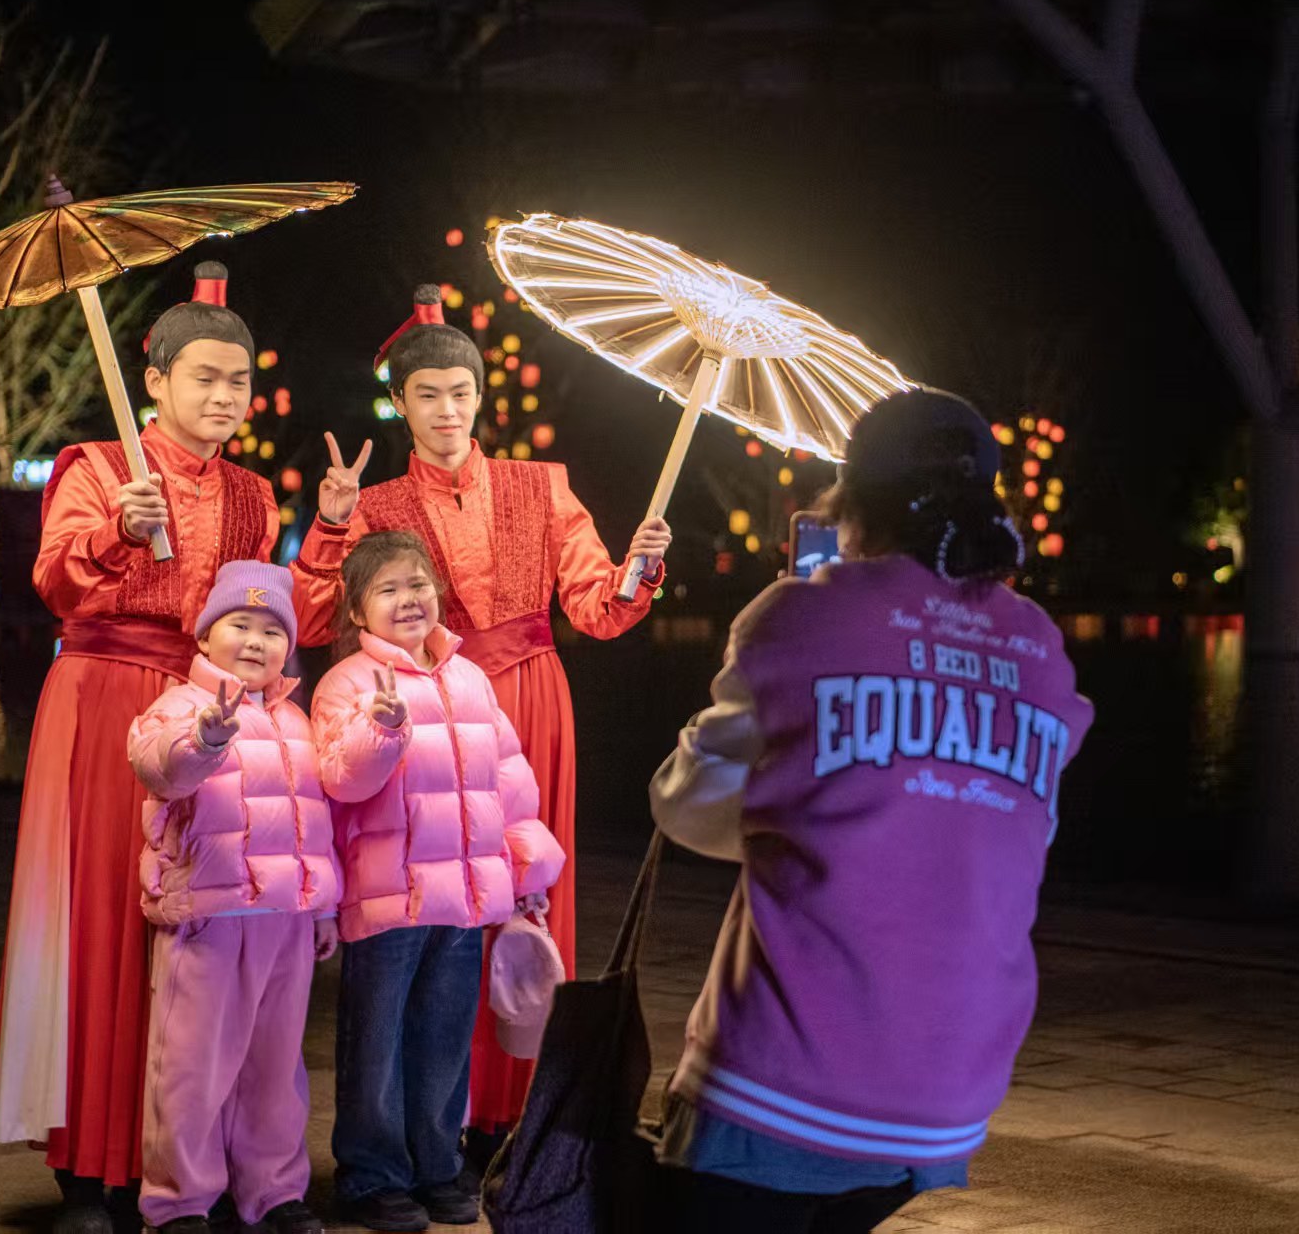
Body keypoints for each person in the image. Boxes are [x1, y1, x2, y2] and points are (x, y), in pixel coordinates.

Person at [646, 388, 1095, 1233]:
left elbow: (691, 806)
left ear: (853, 498)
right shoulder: (1038, 647)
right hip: (948, 1095)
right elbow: (1007, 826)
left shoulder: (804, 614)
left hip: (781, 1081)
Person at [0, 267, 331, 1234]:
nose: (224, 398)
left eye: (239, 383)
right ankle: (91, 1164)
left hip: (209, 711)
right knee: (104, 917)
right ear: (156, 380)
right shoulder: (93, 465)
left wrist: (333, 531)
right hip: (101, 702)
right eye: (205, 378)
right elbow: (53, 582)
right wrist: (115, 532)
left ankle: (190, 1160)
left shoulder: (255, 495)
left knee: (198, 930)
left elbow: (280, 617)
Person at [295, 285, 670, 1145]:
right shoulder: (378, 505)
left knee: (530, 895)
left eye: (460, 393)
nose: (446, 410)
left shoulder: (545, 485)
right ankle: (440, 1122)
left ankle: (517, 1112)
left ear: (479, 398)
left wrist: (637, 569)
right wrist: (330, 523)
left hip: (533, 701)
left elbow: (595, 609)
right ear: (401, 404)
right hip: (427, 712)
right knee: (441, 903)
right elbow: (317, 622)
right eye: (427, 394)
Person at [312, 531, 565, 1232]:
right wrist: (382, 731)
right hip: (387, 900)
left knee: (444, 1038)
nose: (409, 600)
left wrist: (525, 868)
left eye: (418, 584)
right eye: (388, 590)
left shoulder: (468, 678)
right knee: (377, 1042)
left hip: (463, 897)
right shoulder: (347, 683)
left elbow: (507, 781)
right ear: (357, 612)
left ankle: (437, 1164)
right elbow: (339, 779)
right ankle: (371, 1175)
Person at [128, 562, 340, 1234]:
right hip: (210, 919)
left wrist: (324, 906)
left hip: (284, 919)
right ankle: (180, 1201)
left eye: (272, 630)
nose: (255, 640)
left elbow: (316, 818)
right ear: (206, 633)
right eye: (239, 624)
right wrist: (208, 739)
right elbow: (162, 765)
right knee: (190, 1067)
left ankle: (273, 1192)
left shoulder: (295, 720)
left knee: (275, 1068)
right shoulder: (179, 707)